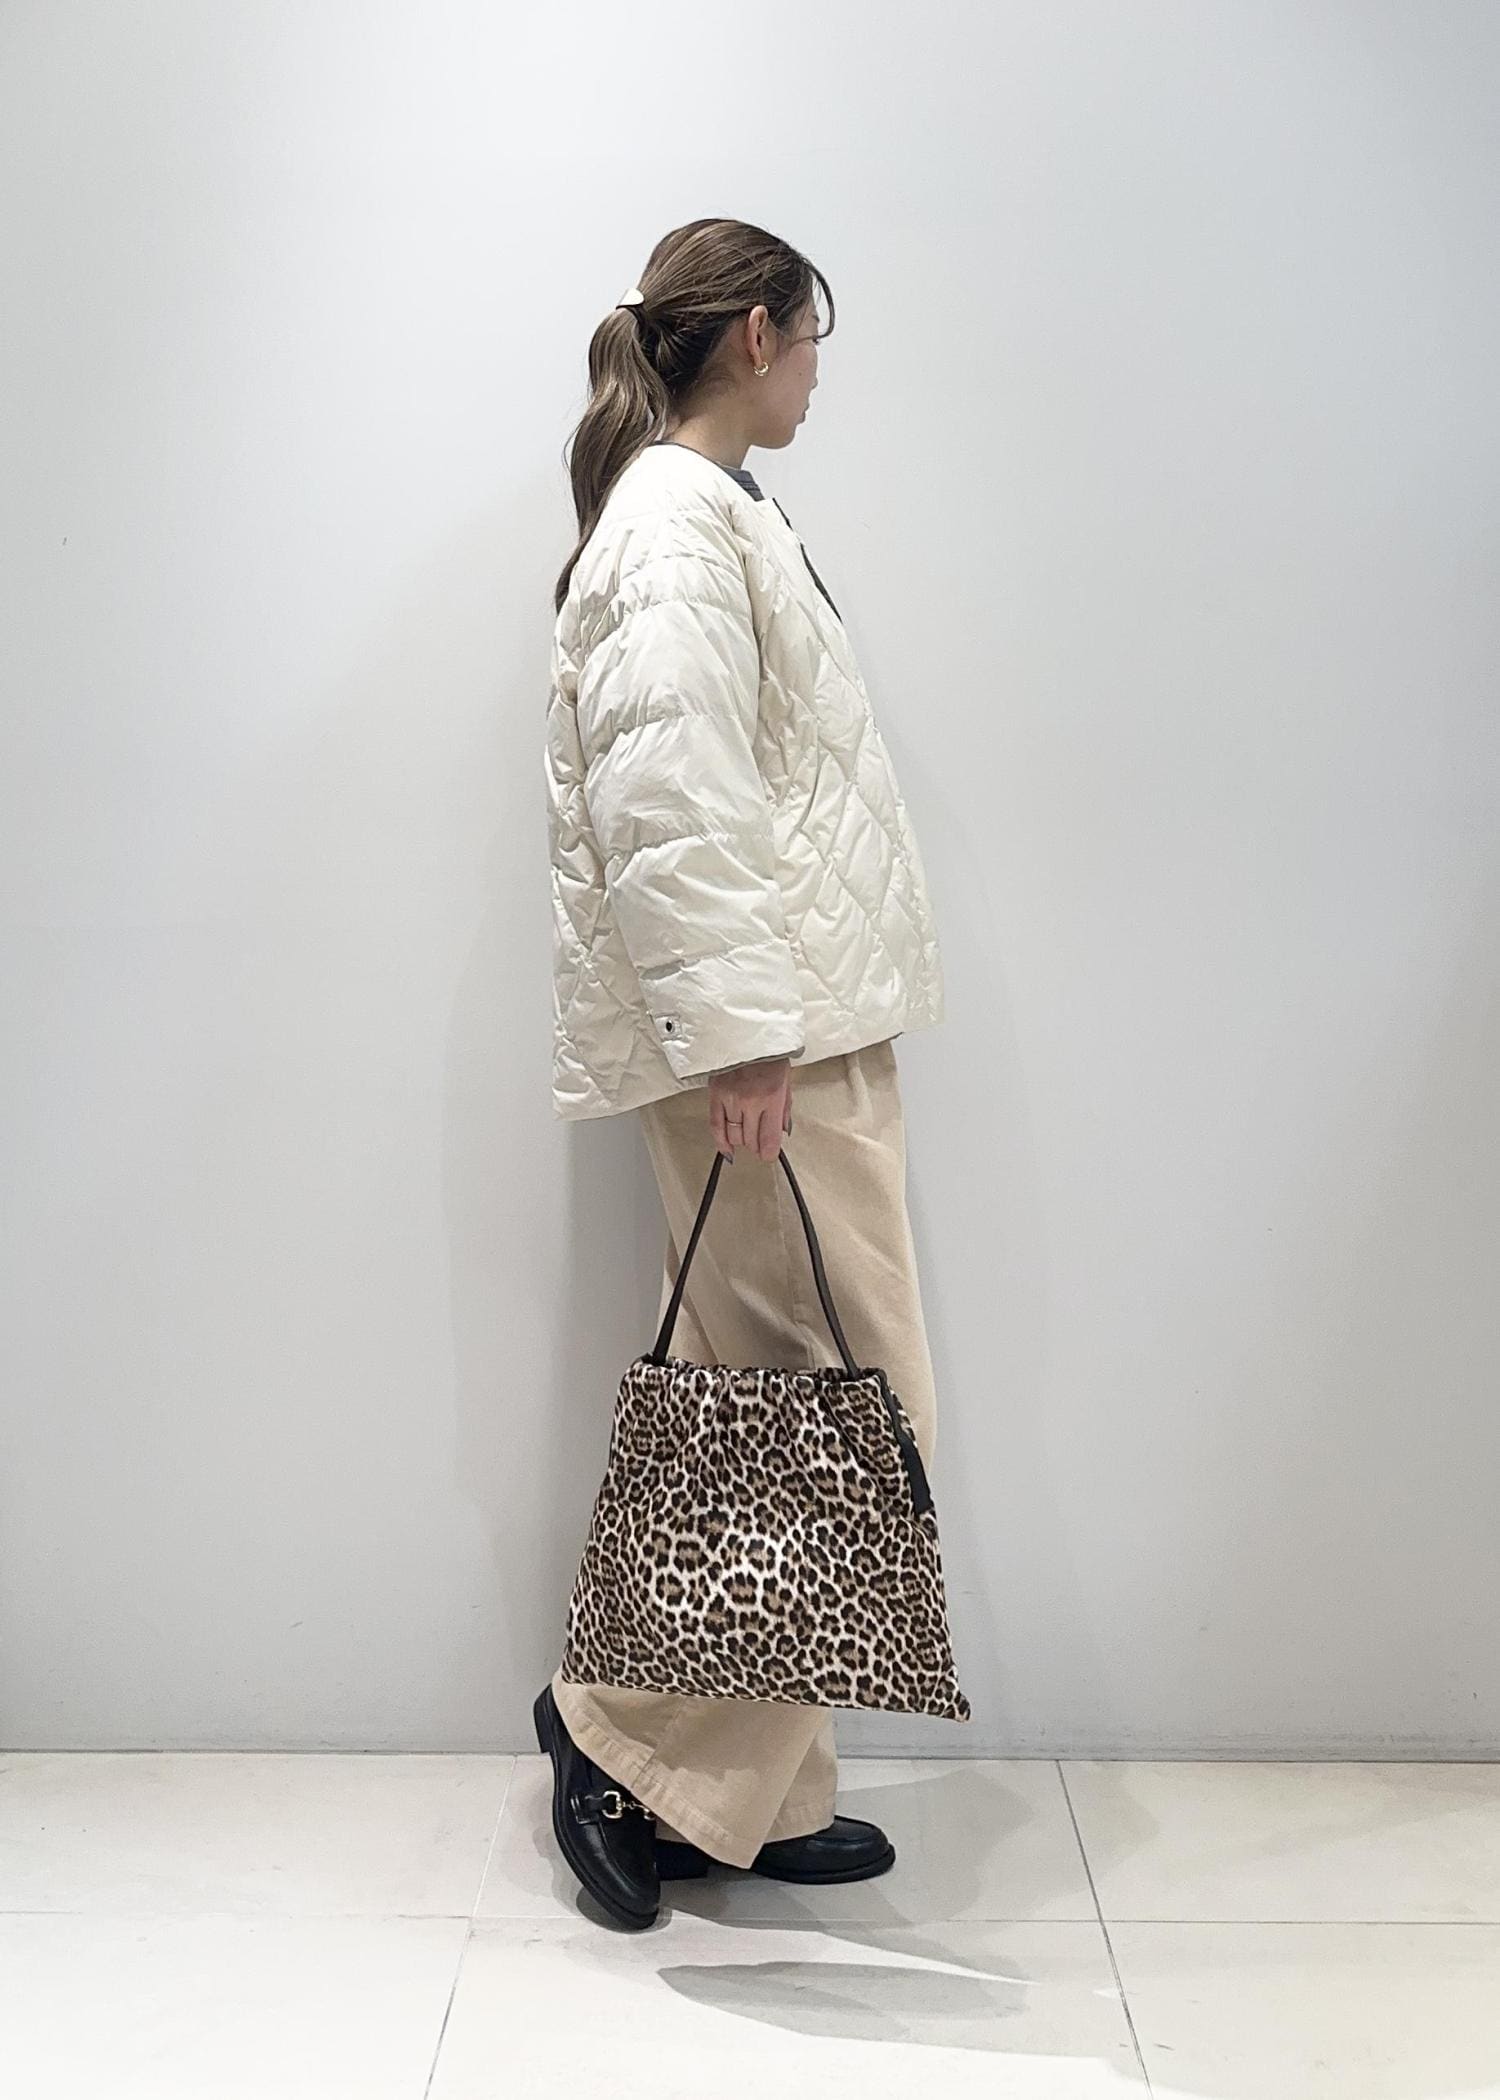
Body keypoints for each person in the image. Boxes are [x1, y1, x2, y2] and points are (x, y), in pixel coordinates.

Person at [536, 217, 947, 1929]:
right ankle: (613, 1736)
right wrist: (745, 1039)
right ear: (760, 336)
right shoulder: (675, 524)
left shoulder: (718, 509)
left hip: (800, 1024)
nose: (822, 371)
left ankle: (747, 1792)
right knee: (824, 1413)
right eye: (814, 335)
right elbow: (675, 799)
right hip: (769, 1042)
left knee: (785, 1410)